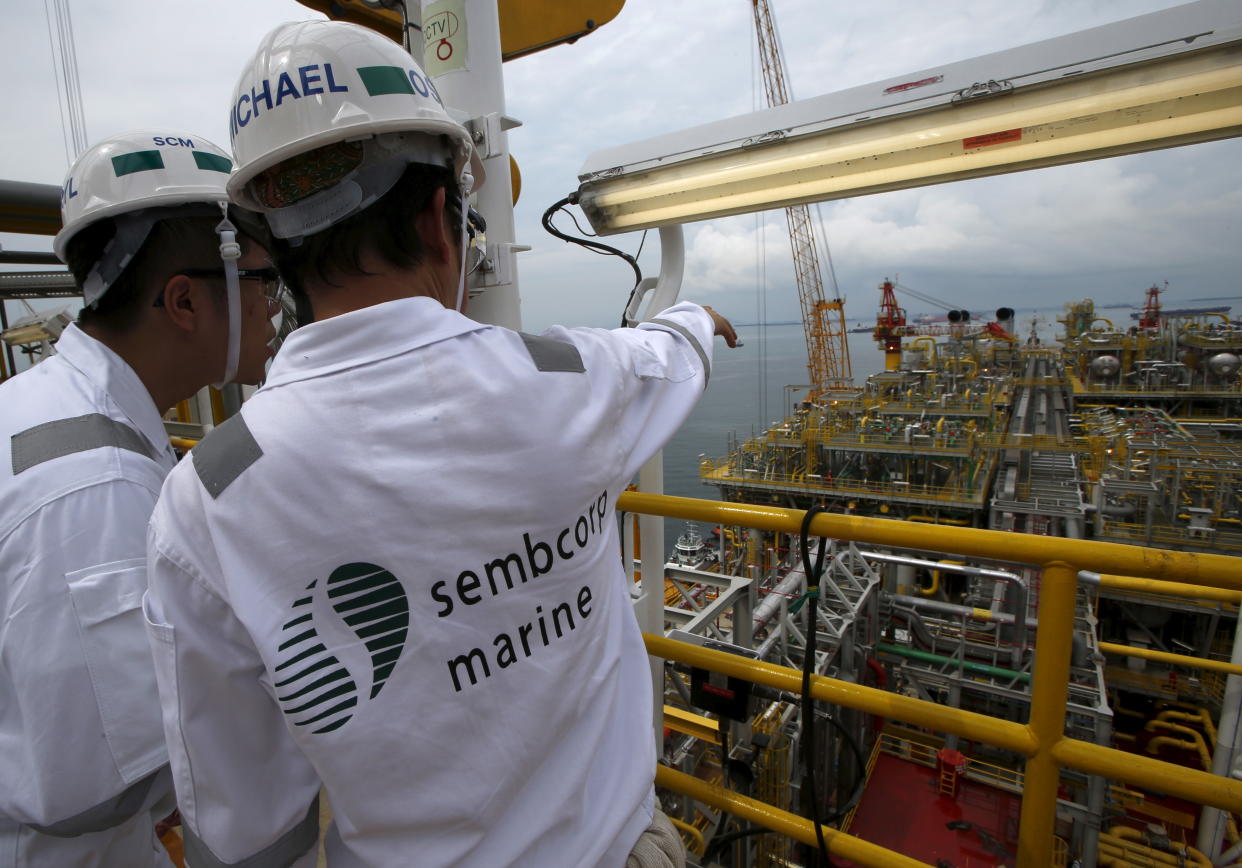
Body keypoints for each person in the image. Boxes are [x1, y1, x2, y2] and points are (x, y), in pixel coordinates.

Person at [143, 20, 737, 868]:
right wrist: (697, 319)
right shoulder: (569, 379)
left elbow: (245, 820)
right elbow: (670, 354)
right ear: (437, 215)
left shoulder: (208, 494)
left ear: (271, 245)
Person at [0, 131, 279, 867]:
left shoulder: (37, 408)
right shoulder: (97, 489)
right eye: (263, 279)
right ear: (185, 300)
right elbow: (98, 782)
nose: (278, 307)